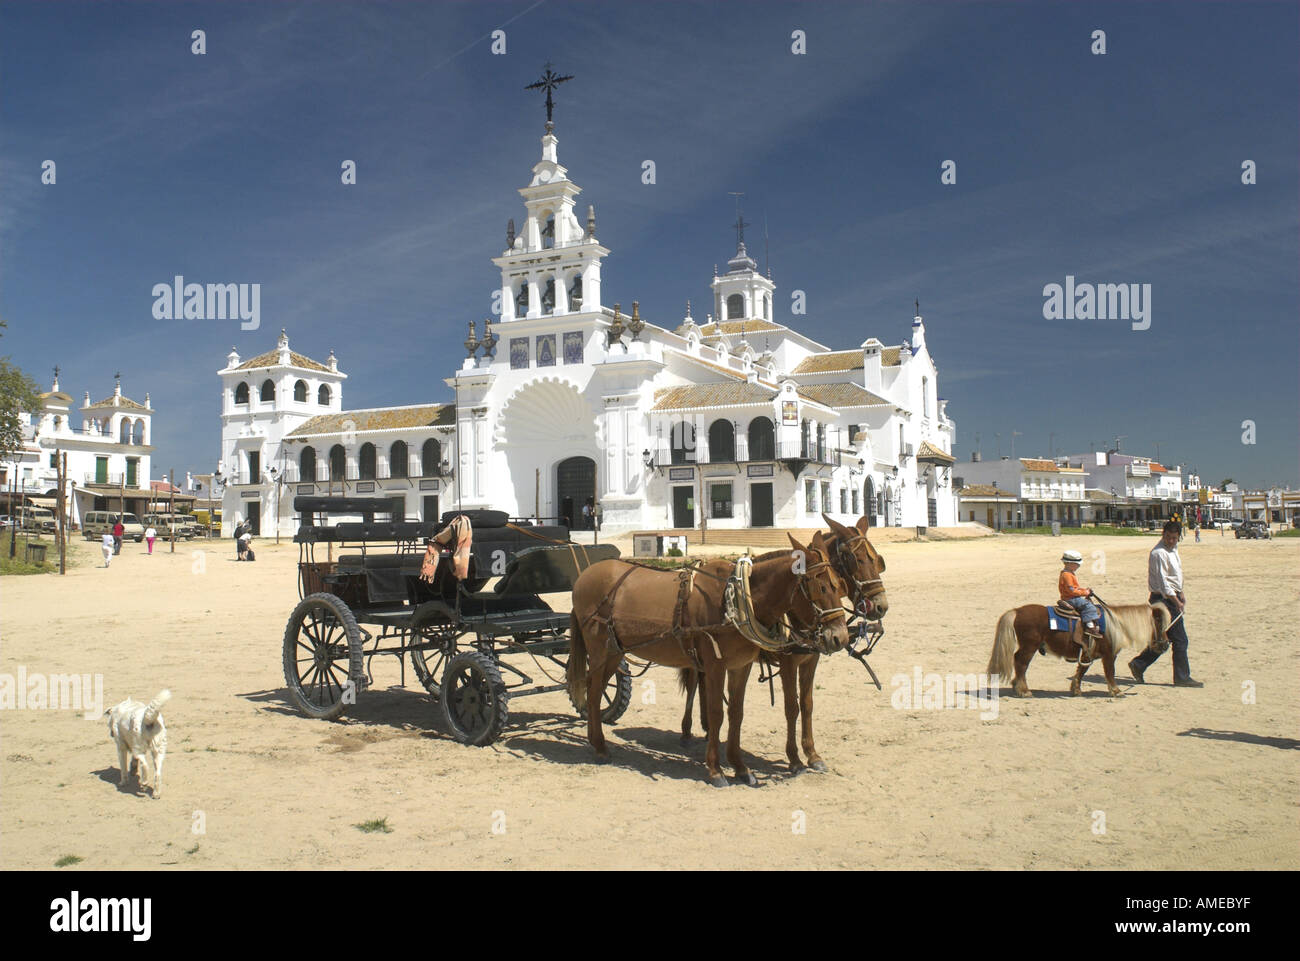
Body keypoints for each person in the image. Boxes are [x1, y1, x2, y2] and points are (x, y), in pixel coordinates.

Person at [1129, 520, 1203, 688]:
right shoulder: (1158, 553)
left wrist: (1181, 593)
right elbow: (1163, 583)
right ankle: (1182, 677)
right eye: (1168, 537)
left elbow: (1175, 576)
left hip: (1171, 597)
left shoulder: (1173, 550)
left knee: (1166, 639)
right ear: (1163, 535)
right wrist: (1176, 601)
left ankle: (1139, 664)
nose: (1170, 541)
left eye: (1174, 538)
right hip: (1163, 600)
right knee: (1180, 640)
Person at [1058, 549, 1102, 653]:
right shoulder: (1067, 575)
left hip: (1071, 597)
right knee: (1089, 606)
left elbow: (1075, 588)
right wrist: (1085, 593)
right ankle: (1090, 626)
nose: (1078, 566)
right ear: (1068, 563)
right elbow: (1072, 590)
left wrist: (1085, 590)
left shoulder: (1069, 573)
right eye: (1077, 564)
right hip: (1070, 599)